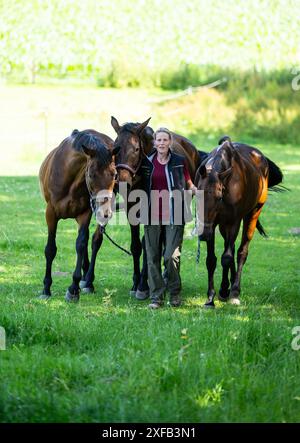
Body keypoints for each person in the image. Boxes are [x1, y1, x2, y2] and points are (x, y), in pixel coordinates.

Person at [140, 127, 197, 309]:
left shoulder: (179, 161)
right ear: (154, 143)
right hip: (152, 215)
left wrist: (196, 190)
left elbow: (188, 181)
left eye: (165, 140)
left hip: (175, 213)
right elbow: (137, 184)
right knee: (152, 257)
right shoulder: (146, 163)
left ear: (170, 142)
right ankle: (156, 297)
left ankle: (174, 292)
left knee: (170, 256)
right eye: (159, 140)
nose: (162, 143)